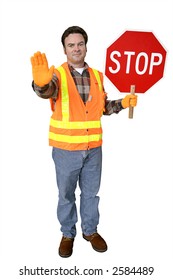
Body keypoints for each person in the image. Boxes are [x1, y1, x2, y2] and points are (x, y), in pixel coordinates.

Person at [30, 26, 137, 258]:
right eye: (71, 45)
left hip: (93, 149)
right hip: (66, 149)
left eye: (80, 44)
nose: (76, 48)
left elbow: (103, 108)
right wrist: (40, 84)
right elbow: (47, 90)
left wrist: (123, 103)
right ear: (65, 49)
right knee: (66, 195)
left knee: (91, 194)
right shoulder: (57, 74)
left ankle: (90, 231)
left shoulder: (98, 75)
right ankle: (68, 234)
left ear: (86, 46)